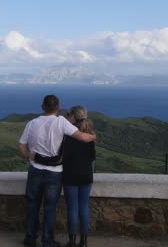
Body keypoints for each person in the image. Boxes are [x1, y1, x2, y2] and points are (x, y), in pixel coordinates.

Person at [18, 95, 96, 247]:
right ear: (58, 107)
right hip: (54, 173)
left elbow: (21, 146)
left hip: (35, 170)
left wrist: (28, 156)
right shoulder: (61, 122)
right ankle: (48, 241)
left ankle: (30, 238)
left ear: (42, 107)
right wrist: (93, 136)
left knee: (32, 205)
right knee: (50, 207)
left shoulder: (32, 123)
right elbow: (82, 138)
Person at [62, 106, 95, 247]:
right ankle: (84, 242)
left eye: (69, 115)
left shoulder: (68, 135)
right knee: (83, 207)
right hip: (86, 175)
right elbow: (92, 157)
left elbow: (63, 156)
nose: (67, 117)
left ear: (73, 117)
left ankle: (72, 240)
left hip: (70, 175)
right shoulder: (90, 135)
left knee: (72, 208)